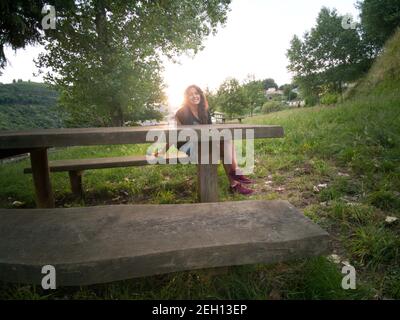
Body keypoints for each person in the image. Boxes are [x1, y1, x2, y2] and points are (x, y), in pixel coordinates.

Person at [174, 85, 254, 195]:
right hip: (188, 146)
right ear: (186, 97)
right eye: (191, 94)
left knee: (226, 142)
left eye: (196, 93)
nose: (194, 96)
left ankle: (235, 182)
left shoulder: (204, 111)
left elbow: (211, 131)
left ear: (200, 95)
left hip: (205, 143)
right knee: (223, 147)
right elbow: (177, 135)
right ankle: (236, 177)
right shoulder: (181, 113)